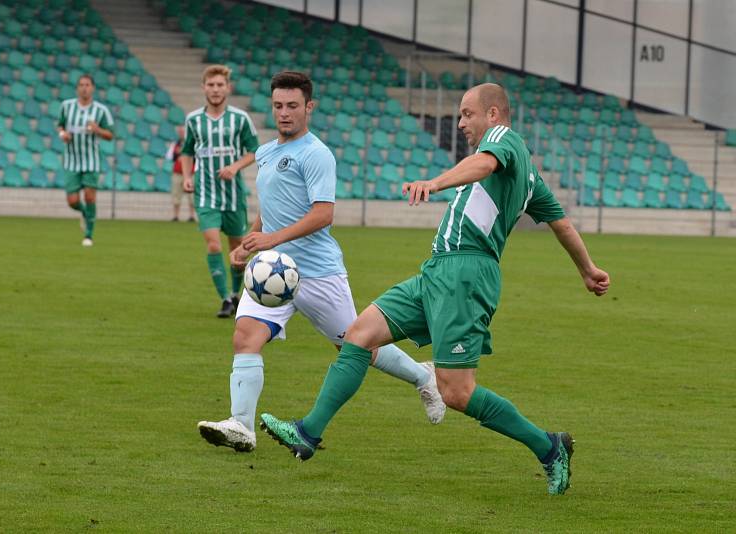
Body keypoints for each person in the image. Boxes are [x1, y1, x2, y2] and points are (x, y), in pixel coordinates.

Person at [260, 83, 611, 496]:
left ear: (494, 114)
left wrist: (437, 181)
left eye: (467, 113)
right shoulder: (528, 176)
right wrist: (587, 269)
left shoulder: (503, 141)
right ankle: (308, 433)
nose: (461, 123)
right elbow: (562, 223)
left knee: (457, 392)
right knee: (359, 335)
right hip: (437, 272)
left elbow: (482, 166)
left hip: (466, 274)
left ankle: (549, 447)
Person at [196, 71, 445, 453]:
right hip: (271, 273)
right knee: (245, 336)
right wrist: (251, 241)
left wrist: (271, 240)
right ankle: (242, 426)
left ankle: (423, 376)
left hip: (317, 273)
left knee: (356, 345)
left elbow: (323, 214)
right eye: (278, 106)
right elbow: (270, 206)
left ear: (308, 107)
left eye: (293, 106)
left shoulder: (316, 154)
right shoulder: (264, 152)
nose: (284, 113)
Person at [181, 64, 258, 318]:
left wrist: (235, 167)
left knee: (237, 248)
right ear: (204, 88)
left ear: (228, 88)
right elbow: (187, 152)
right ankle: (225, 298)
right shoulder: (194, 120)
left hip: (234, 194)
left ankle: (237, 295)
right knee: (213, 245)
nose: (215, 90)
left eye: (219, 85)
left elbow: (254, 151)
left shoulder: (240, 119)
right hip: (205, 194)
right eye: (211, 85)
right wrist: (186, 176)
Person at [57, 74, 114, 247]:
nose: (84, 88)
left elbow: (110, 135)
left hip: (91, 161)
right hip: (71, 160)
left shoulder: (101, 110)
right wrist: (63, 134)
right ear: (77, 88)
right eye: (81, 85)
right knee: (72, 201)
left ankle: (88, 235)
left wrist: (97, 129)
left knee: (90, 197)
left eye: (87, 85)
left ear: (93, 88)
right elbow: (60, 125)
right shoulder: (66, 107)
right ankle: (84, 214)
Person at [166, 125, 196, 222]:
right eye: (180, 132)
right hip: (177, 173)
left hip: (190, 173)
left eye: (183, 132)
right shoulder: (175, 144)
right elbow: (169, 157)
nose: (181, 134)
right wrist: (177, 155)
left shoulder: (193, 143)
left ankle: (192, 216)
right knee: (176, 195)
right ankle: (176, 215)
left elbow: (196, 157)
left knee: (192, 196)